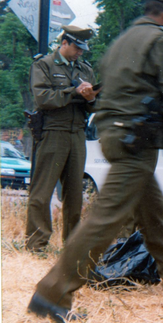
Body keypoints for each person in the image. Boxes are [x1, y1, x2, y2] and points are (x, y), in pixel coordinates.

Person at [27, 0, 163, 322]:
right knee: (105, 220)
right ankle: (52, 293)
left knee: (155, 214)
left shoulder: (125, 39)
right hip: (139, 140)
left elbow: (103, 91)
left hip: (115, 135)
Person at [26, 25, 97, 251]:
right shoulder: (44, 65)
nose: (80, 52)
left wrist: (91, 98)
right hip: (52, 133)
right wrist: (73, 92)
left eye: (83, 49)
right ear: (64, 42)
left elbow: (95, 106)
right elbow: (42, 98)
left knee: (75, 194)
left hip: (77, 134)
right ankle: (37, 245)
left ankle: (72, 245)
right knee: (42, 192)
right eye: (77, 47)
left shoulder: (85, 70)